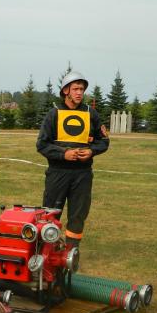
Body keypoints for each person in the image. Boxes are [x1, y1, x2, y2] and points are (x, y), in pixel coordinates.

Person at [36, 71, 109, 248]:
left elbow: (104, 141)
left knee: (78, 216)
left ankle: (71, 252)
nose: (79, 93)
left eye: (81, 89)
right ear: (66, 91)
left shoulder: (91, 114)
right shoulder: (54, 114)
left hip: (82, 175)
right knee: (50, 215)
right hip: (58, 174)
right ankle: (48, 252)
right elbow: (42, 145)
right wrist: (64, 154)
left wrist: (92, 151)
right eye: (75, 89)